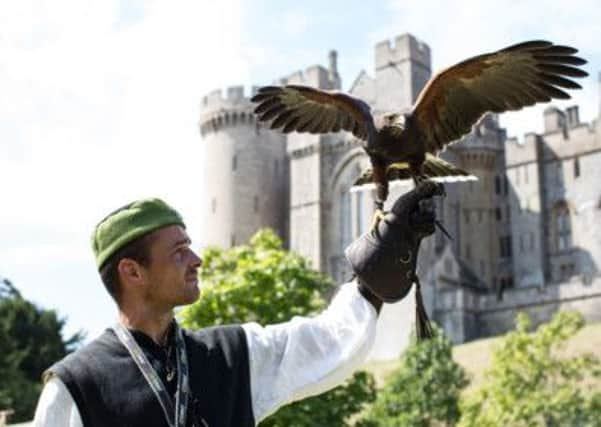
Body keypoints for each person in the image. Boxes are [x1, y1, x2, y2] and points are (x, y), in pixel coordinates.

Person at [33, 181, 440, 427]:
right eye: (178, 252)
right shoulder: (76, 386)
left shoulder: (231, 355)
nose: (197, 260)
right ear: (132, 272)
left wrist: (381, 260)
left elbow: (328, 342)